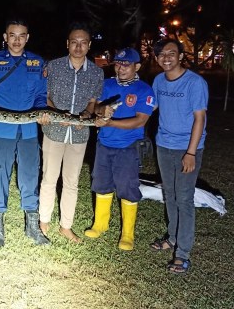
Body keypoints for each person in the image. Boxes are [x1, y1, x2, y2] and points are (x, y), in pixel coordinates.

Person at [0, 19, 50, 247]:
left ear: (27, 38)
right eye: (12, 35)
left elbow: (41, 94)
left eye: (21, 36)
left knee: (30, 176)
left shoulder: (37, 62)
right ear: (5, 36)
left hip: (29, 130)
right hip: (1, 129)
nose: (17, 40)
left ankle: (32, 227)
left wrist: (42, 111)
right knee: (0, 176)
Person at [84, 47, 155, 251]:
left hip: (128, 146)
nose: (121, 68)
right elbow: (94, 108)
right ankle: (100, 225)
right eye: (118, 63)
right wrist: (100, 110)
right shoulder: (106, 84)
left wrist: (110, 123)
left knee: (127, 187)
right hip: (104, 144)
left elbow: (140, 121)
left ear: (137, 66)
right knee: (101, 183)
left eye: (126, 64)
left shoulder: (144, 90)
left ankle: (127, 234)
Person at [39, 23, 103, 243]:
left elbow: (93, 101)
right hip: (54, 131)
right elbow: (45, 97)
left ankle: (66, 226)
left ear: (89, 45)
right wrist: (57, 114)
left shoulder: (96, 72)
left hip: (79, 135)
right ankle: (43, 221)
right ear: (67, 44)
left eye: (83, 42)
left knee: (72, 181)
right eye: (74, 42)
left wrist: (86, 114)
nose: (78, 46)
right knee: (49, 178)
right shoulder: (53, 67)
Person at [150, 39, 208, 275]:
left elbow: (199, 119)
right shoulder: (158, 80)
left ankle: (182, 253)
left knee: (184, 198)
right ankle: (173, 238)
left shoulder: (195, 82)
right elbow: (150, 107)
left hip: (187, 148)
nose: (166, 58)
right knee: (169, 194)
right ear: (156, 58)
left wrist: (191, 152)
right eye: (161, 54)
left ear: (181, 55)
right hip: (164, 145)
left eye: (171, 53)